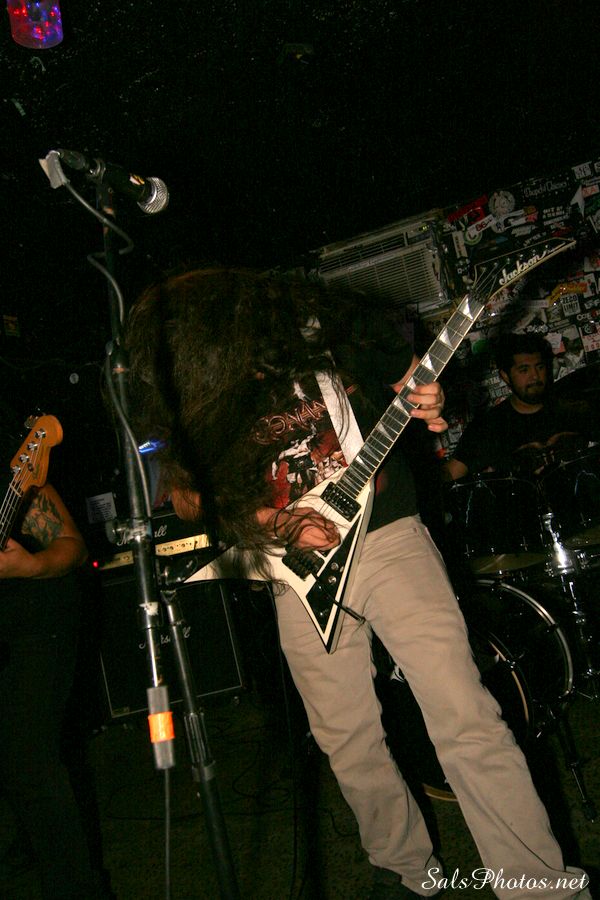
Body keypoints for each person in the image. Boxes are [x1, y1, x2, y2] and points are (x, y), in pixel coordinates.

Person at [126, 268, 591, 899]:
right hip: (295, 569)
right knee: (346, 736)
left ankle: (539, 886)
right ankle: (406, 871)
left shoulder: (328, 339)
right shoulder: (206, 398)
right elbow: (186, 498)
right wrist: (274, 520)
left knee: (465, 715)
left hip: (388, 535)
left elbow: (413, 383)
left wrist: (428, 396)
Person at [0, 412, 107, 899]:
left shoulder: (12, 462)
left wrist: (30, 566)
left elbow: (71, 545)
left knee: (30, 762)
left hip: (37, 617)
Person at [444, 332, 596, 482]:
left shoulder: (574, 408)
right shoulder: (488, 427)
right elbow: (450, 476)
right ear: (505, 376)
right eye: (524, 370)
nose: (535, 376)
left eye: (539, 367)